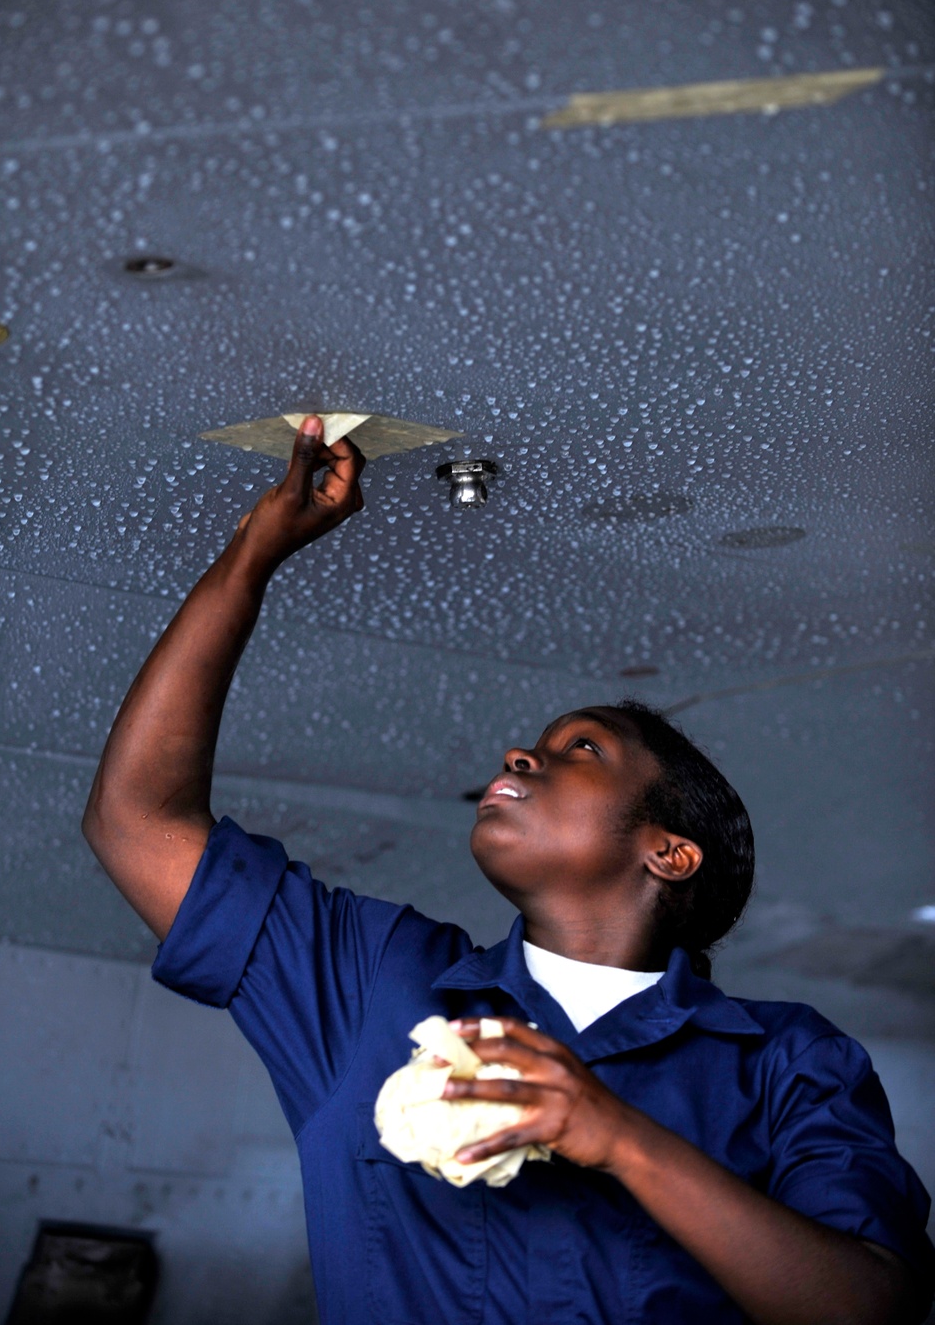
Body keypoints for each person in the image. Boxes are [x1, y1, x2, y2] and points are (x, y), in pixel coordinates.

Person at [82, 417, 934, 1325]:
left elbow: (872, 1305)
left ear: (667, 850)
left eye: (583, 748)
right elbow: (135, 821)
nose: (522, 755)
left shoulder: (785, 1061)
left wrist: (615, 1136)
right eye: (535, 743)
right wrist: (255, 554)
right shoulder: (373, 981)